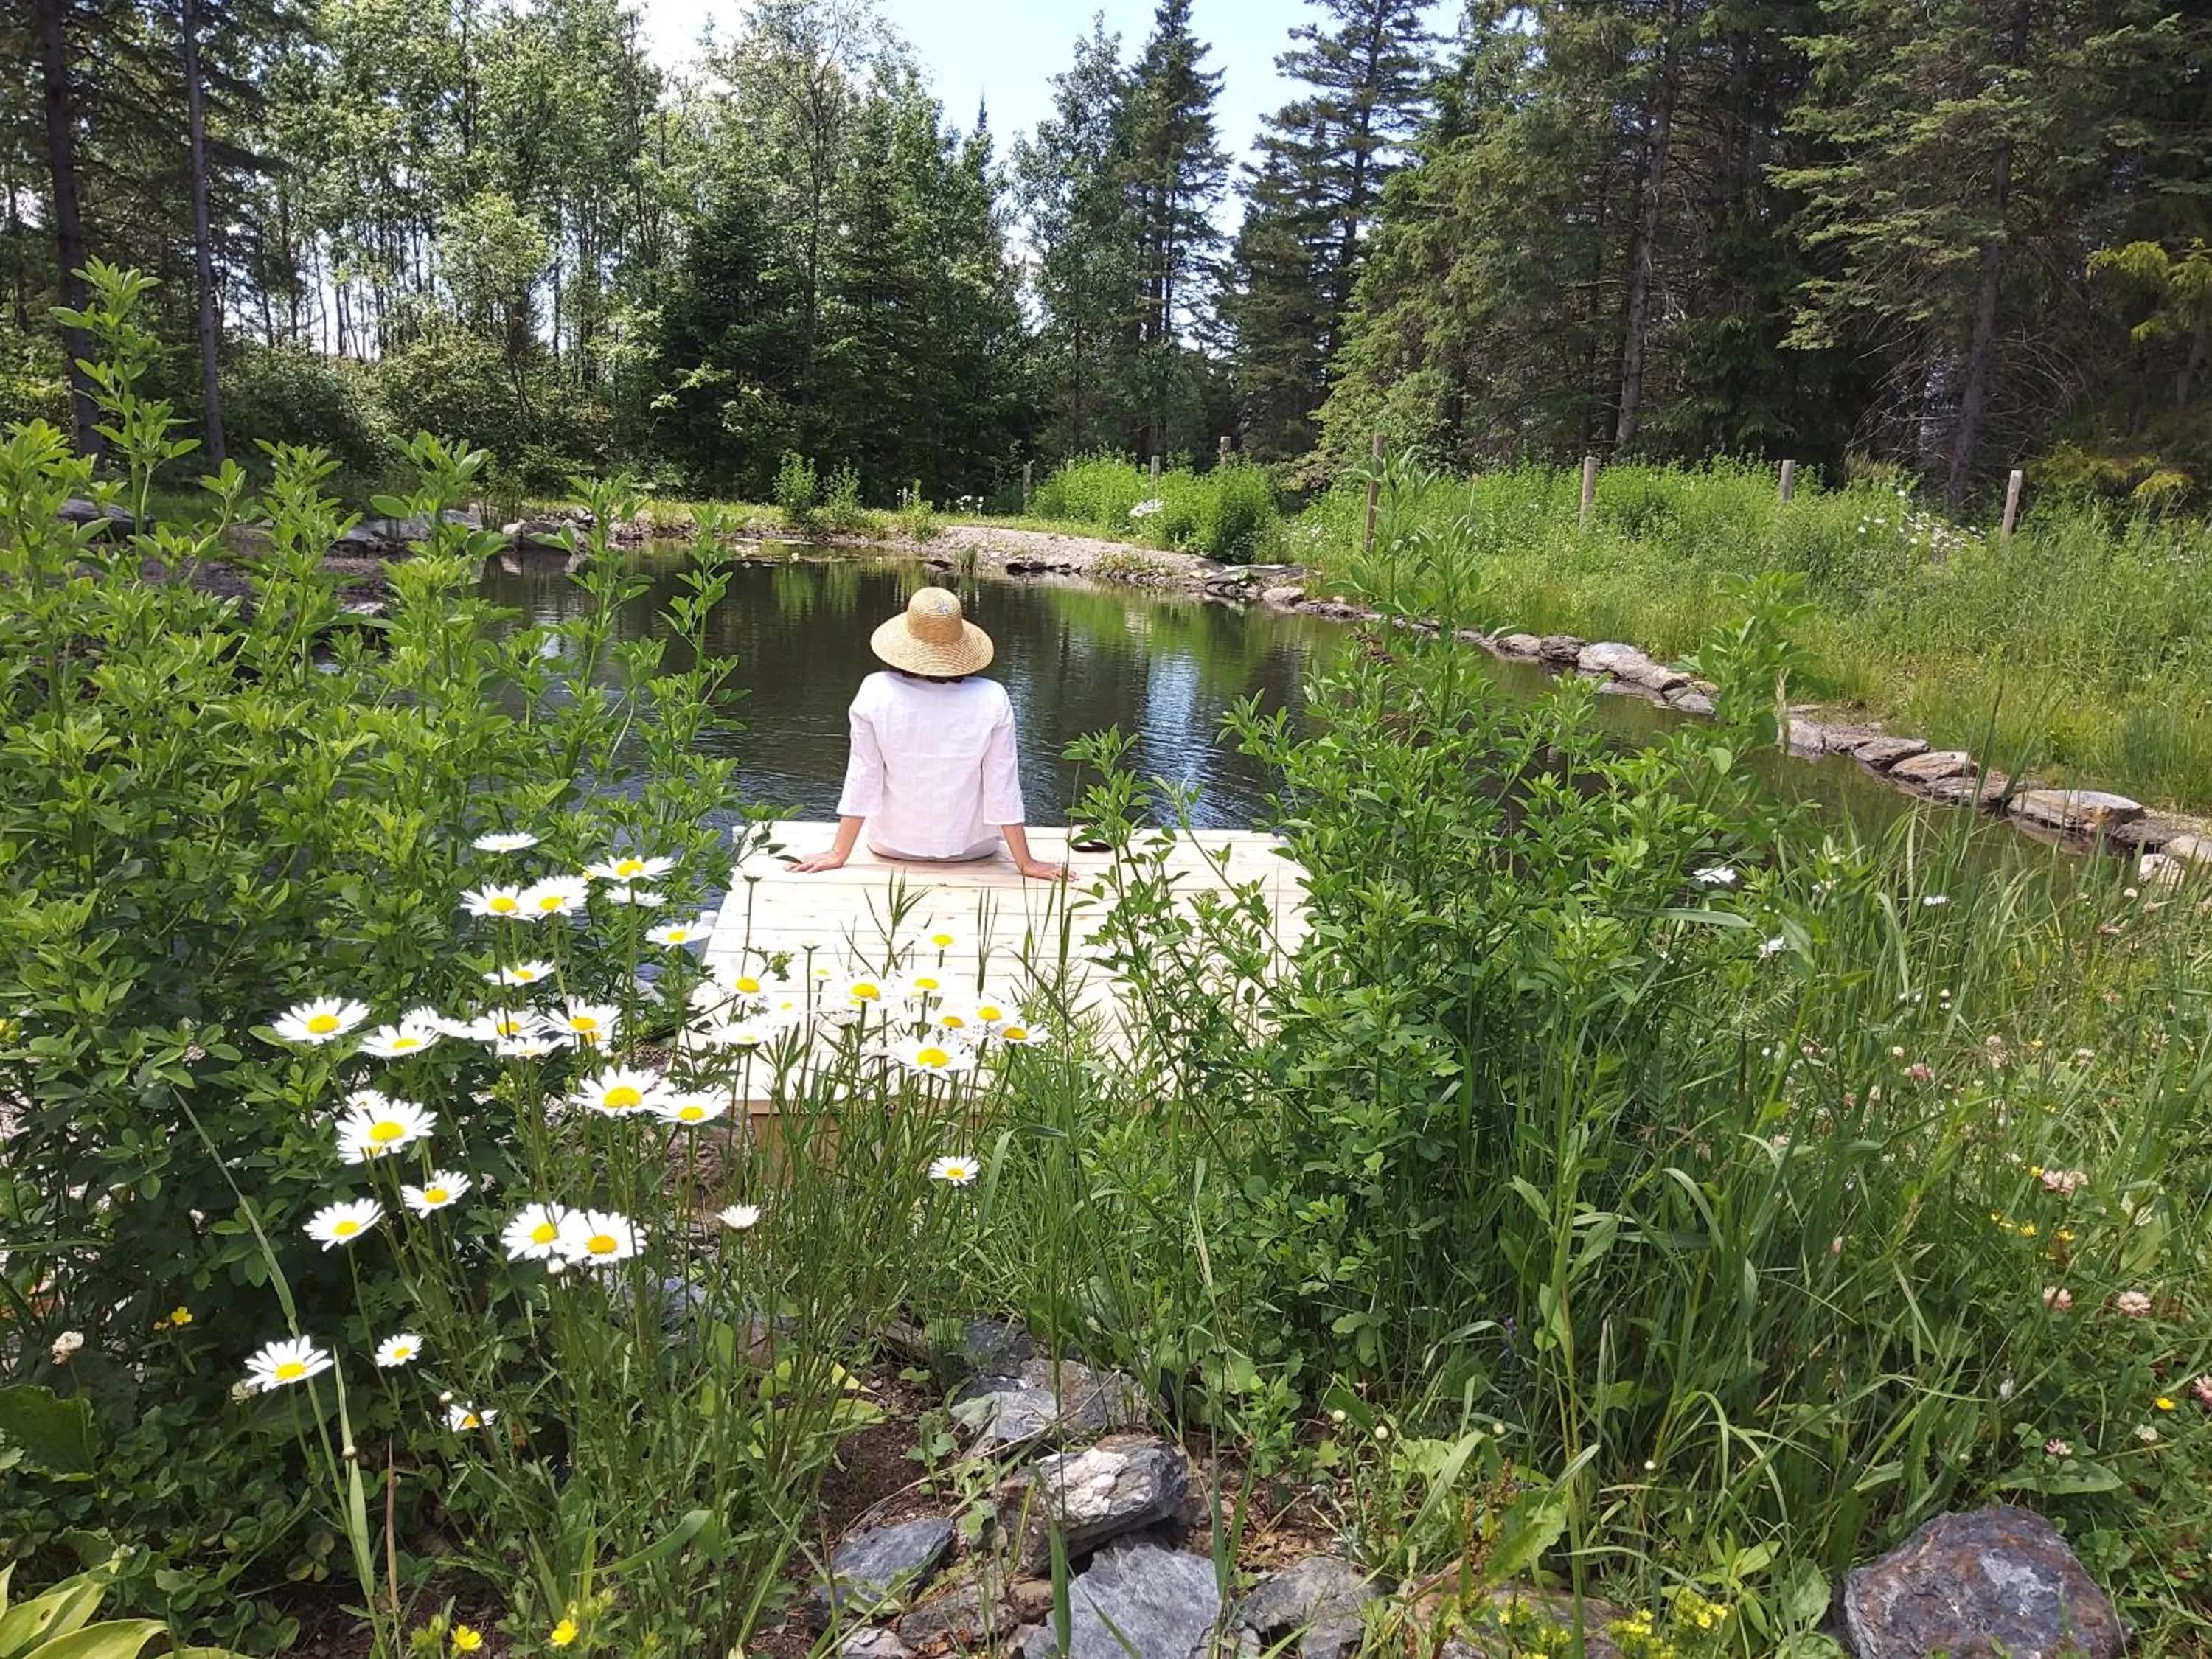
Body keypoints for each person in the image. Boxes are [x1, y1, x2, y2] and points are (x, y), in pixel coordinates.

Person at [791, 587, 1070, 880]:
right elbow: (1002, 786)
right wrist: (1026, 862)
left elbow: (864, 777)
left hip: (892, 845)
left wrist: (839, 853)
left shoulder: (875, 691)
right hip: (971, 848)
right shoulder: (993, 697)